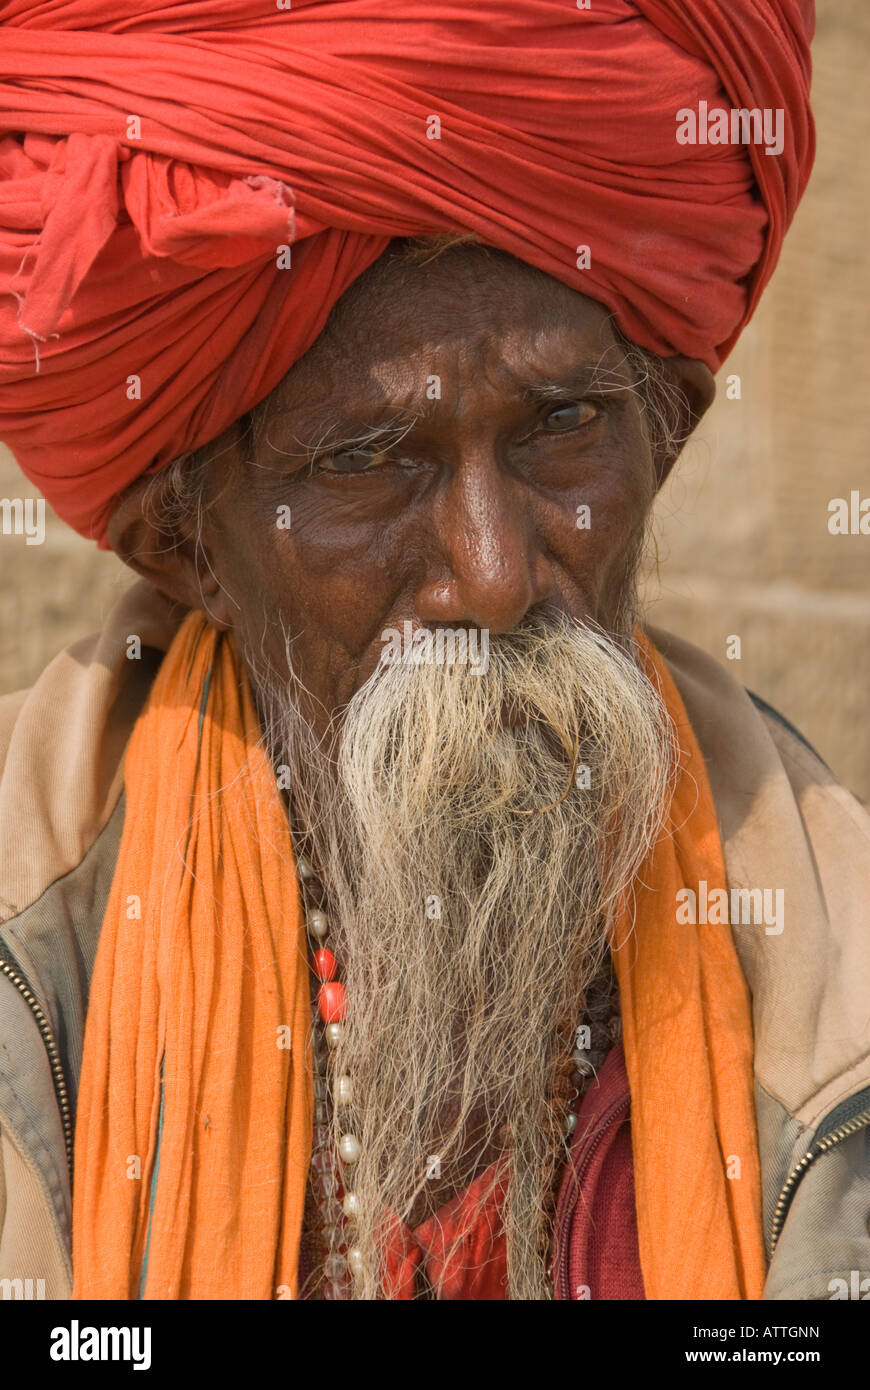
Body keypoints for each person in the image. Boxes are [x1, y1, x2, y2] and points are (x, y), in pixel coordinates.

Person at [2, 0, 867, 1303]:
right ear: (183, 545)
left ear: (666, 432)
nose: (495, 574)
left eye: (563, 423)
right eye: (363, 460)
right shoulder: (38, 957)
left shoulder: (837, 976)